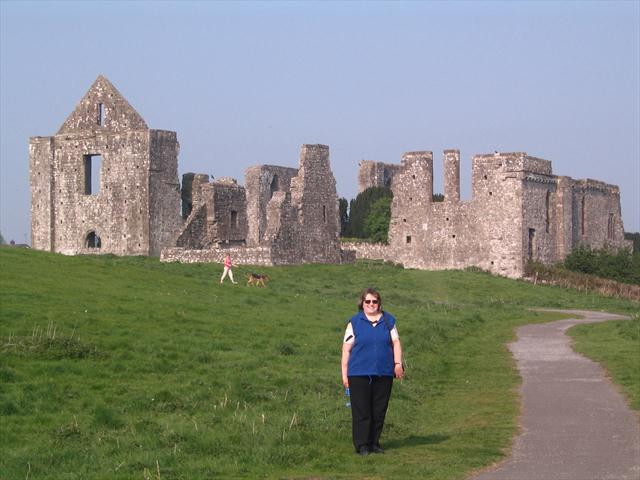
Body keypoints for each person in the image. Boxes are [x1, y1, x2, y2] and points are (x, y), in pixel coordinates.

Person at [341, 288, 404, 456]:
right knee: (362, 411)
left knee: (379, 410)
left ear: (379, 303)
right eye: (367, 301)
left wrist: (398, 364)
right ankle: (362, 445)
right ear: (362, 304)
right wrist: (344, 374)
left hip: (384, 372)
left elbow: (396, 342)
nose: (371, 304)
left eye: (374, 301)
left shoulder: (388, 321)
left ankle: (374, 443)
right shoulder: (354, 322)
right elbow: (346, 350)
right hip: (359, 374)